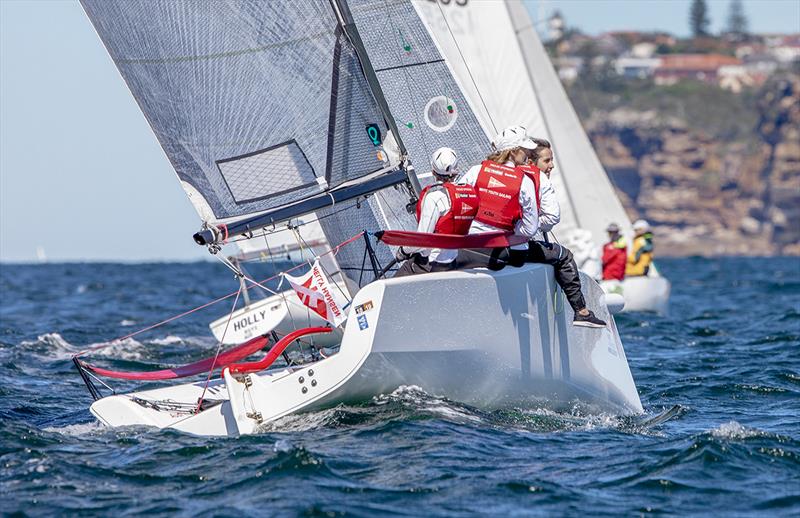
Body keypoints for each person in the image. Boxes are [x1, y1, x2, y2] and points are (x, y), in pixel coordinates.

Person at [460, 126, 606, 328]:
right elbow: (532, 229)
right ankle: (581, 312)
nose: (527, 154)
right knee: (563, 256)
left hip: (468, 247)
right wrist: (512, 230)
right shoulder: (526, 180)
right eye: (524, 150)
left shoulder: (477, 171)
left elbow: (458, 201)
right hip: (507, 253)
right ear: (513, 152)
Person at [394, 147, 478, 277]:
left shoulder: (434, 197)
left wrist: (403, 251)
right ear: (456, 171)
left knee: (392, 287)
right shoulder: (466, 194)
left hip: (428, 265)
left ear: (433, 171)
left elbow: (422, 239)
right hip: (451, 262)